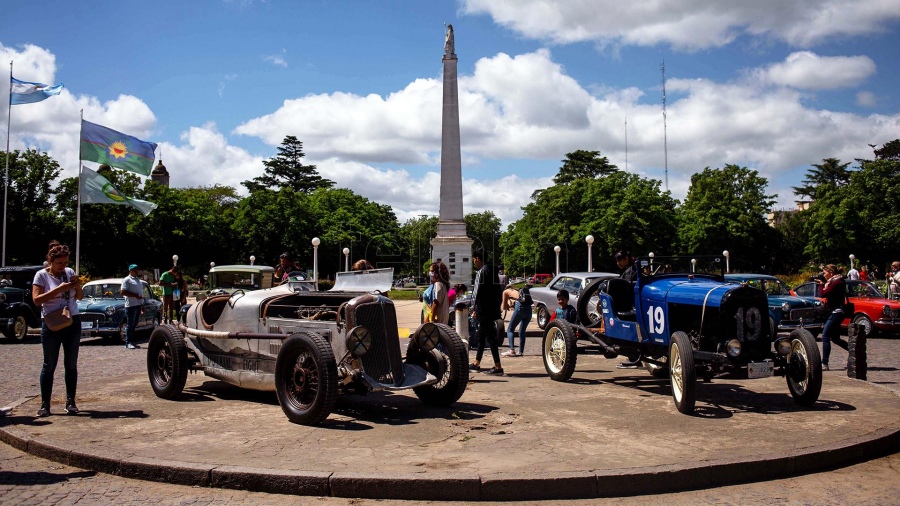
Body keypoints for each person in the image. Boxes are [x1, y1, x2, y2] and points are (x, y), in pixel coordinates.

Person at [32, 242, 83, 417]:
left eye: (65, 263)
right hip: (52, 322)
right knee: (49, 364)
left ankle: (71, 402)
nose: (63, 267)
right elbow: (37, 300)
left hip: (72, 320)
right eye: (59, 263)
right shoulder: (41, 276)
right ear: (50, 261)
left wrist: (77, 285)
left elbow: (80, 297)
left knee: (71, 364)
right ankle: (45, 404)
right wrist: (59, 289)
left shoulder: (69, 274)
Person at [469, 249, 504, 375]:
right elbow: (498, 291)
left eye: (474, 259)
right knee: (481, 336)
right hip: (492, 308)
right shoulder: (493, 271)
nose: (474, 262)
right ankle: (476, 363)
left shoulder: (481, 271)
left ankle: (498, 366)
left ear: (478, 258)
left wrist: (472, 308)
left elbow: (476, 291)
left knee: (490, 337)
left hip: (483, 309)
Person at [818, 264, 847, 371]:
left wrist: (821, 284)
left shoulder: (837, 283)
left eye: (825, 273)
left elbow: (823, 293)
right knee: (835, 338)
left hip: (836, 312)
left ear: (831, 273)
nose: (823, 275)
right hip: (834, 312)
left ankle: (824, 363)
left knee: (825, 335)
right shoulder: (834, 282)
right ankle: (854, 351)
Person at [503, 282, 533, 357]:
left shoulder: (506, 291)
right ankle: (521, 351)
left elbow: (504, 307)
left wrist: (507, 305)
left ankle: (512, 350)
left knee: (510, 329)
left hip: (520, 307)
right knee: (522, 331)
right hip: (529, 309)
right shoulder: (519, 291)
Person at [120, 264, 144, 350]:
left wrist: (142, 304)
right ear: (130, 270)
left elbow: (141, 293)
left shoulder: (138, 280)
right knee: (130, 324)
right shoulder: (127, 280)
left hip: (138, 305)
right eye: (135, 270)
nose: (137, 271)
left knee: (134, 324)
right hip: (131, 305)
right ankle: (128, 342)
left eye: (137, 269)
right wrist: (135, 295)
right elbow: (122, 292)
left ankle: (132, 341)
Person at [427, 260, 451, 325]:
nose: (430, 273)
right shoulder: (443, 285)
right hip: (443, 321)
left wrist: (431, 321)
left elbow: (435, 303)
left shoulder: (438, 284)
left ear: (437, 273)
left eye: (432, 271)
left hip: (438, 322)